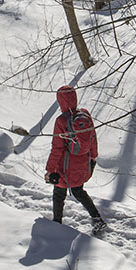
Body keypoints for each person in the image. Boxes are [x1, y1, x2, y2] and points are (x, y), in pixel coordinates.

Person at [45, 85, 105, 235]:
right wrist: (93, 157)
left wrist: (50, 169)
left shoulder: (61, 121)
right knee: (78, 190)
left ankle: (57, 222)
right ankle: (97, 219)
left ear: (60, 101)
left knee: (59, 194)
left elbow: (57, 148)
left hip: (65, 166)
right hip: (82, 163)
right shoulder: (84, 115)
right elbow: (93, 138)